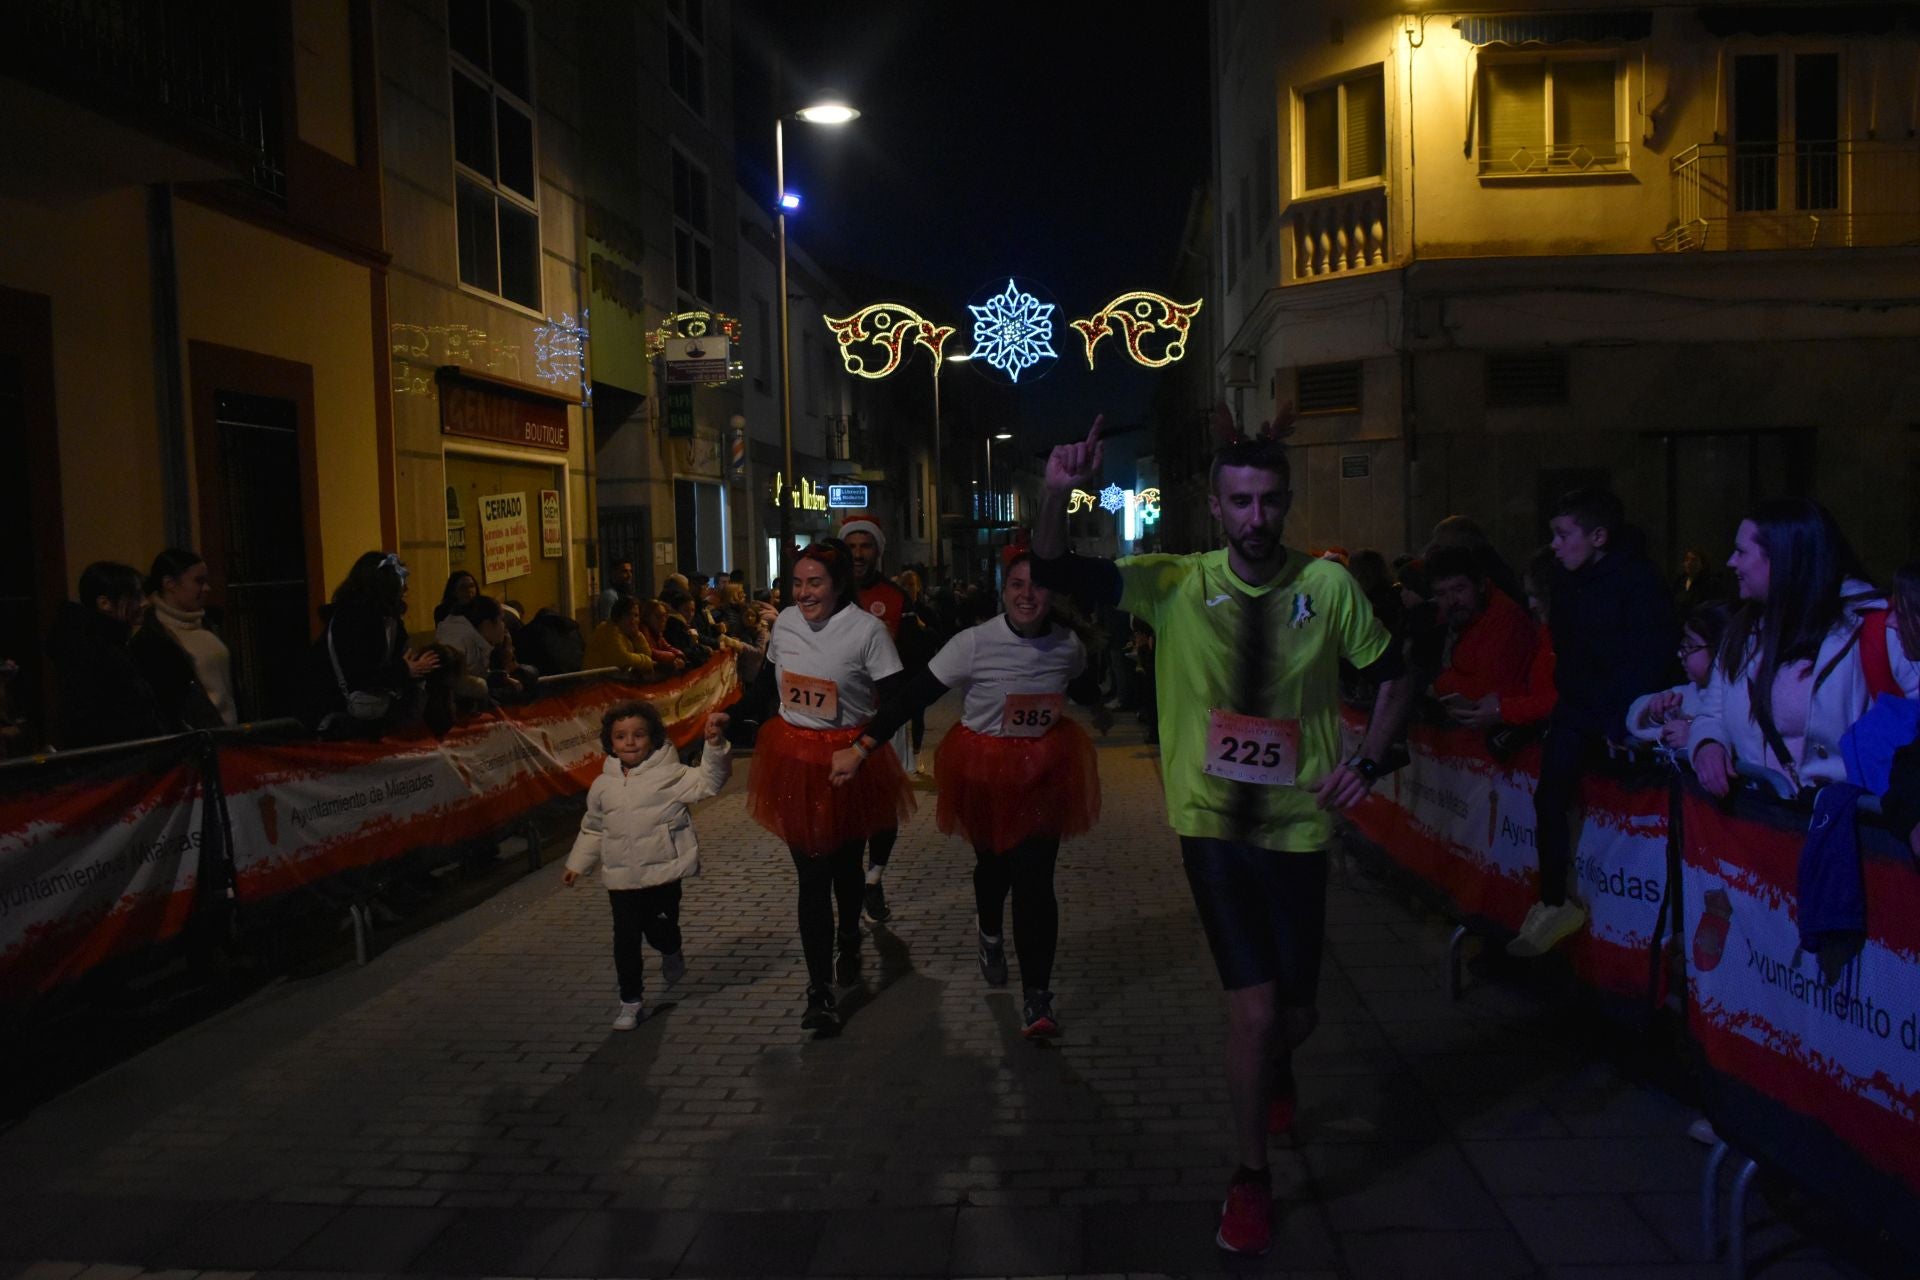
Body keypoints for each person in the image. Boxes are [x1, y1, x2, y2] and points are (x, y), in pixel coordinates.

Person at [1032, 415, 1411, 1256]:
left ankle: (1277, 1066)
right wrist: (1058, 488)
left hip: (1300, 828)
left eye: (1271, 500)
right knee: (1254, 1009)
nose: (1256, 517)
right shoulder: (1172, 582)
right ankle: (1249, 1179)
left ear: (1287, 502)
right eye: (1240, 502)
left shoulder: (1330, 587)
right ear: (1214, 506)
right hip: (1212, 828)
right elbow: (1054, 568)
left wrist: (1373, 762)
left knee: (1297, 1015)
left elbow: (1393, 675)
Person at [830, 550, 1104, 1036]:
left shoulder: (1067, 644)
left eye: (1037, 586)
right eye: (1016, 585)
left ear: (1051, 595)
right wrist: (863, 746)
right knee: (995, 868)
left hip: (1044, 770)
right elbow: (914, 696)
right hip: (985, 770)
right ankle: (989, 931)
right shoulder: (973, 643)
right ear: (1003, 591)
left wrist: (1096, 702)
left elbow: (1082, 684)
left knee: (1036, 881)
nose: (1026, 595)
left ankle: (1038, 998)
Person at [736, 539, 913, 1031]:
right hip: (794, 758)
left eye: (815, 582)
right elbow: (767, 686)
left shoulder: (866, 631)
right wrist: (727, 717)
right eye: (797, 582)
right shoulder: (787, 622)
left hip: (849, 761)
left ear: (837, 585)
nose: (804, 592)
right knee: (811, 875)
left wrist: (863, 748)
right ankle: (819, 991)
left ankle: (851, 935)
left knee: (845, 868)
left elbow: (898, 700)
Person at [1512, 489, 1673, 958]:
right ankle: (1552, 900)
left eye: (1564, 536)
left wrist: (1619, 717)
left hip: (1614, 714)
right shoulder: (1568, 583)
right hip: (1576, 710)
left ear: (1598, 536)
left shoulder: (1638, 583)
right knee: (1549, 797)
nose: (1556, 547)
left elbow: (1648, 658)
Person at [1691, 500, 1917, 797]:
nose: (1731, 562)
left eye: (1742, 551)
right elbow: (1712, 713)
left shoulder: (1879, 626)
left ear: (1783, 558)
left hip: (1850, 829)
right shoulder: (1742, 632)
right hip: (1760, 823)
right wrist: (1708, 745)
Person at [562, 699, 732, 1029]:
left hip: (664, 875)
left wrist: (715, 746)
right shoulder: (603, 785)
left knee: (660, 932)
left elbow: (710, 782)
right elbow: (594, 826)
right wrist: (578, 863)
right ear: (610, 742)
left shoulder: (671, 775)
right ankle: (630, 1001)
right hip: (620, 880)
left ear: (653, 738)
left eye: (638, 735)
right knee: (625, 938)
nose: (630, 742)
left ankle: (671, 949)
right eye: (621, 736)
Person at [838, 517, 913, 923]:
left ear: (878, 551)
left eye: (867, 546)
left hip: (885, 717)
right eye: (852, 546)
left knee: (884, 808)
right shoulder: (825, 596)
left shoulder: (896, 596)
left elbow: (917, 657)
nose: (859, 554)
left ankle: (873, 878)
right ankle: (848, 887)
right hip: (840, 719)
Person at [48, 561, 163, 749]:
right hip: (117, 766)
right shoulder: (92, 652)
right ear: (105, 603)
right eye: (135, 596)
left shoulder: (110, 644)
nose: (145, 602)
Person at [1447, 548, 1561, 733]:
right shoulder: (1547, 631)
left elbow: (1564, 699)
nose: (1531, 604)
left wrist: (1504, 708)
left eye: (1537, 595)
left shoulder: (1509, 619)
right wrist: (1501, 700)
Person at [130, 548, 236, 731]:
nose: (206, 588)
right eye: (198, 581)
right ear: (169, 583)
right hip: (198, 744)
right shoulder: (153, 639)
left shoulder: (208, 624)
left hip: (229, 736)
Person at [1428, 545, 1538, 712]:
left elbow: (1487, 691)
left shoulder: (1504, 619)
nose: (1451, 600)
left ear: (1480, 585)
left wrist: (1438, 681)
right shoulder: (1460, 616)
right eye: (1441, 594)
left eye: (1459, 589)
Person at [1626, 601, 1733, 750]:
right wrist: (1654, 714)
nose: (1680, 654)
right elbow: (1635, 711)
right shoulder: (1689, 693)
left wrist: (1697, 738)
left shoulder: (1735, 700)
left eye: (1690, 646)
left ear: (1720, 650)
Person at [436, 593, 508, 702]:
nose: (504, 625)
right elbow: (454, 683)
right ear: (487, 624)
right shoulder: (457, 638)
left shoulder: (473, 638)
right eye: (501, 620)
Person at [584, 596, 664, 679]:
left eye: (636, 615)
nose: (633, 620)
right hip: (594, 685)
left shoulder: (628, 632)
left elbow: (647, 654)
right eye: (628, 615)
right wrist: (646, 662)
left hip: (612, 682)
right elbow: (623, 659)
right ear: (619, 615)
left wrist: (637, 636)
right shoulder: (608, 629)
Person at [517, 606, 585, 676]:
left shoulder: (530, 630)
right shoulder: (572, 630)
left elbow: (523, 655)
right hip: (573, 676)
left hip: (545, 680)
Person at [659, 584, 713, 666]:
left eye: (692, 610)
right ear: (676, 609)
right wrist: (703, 650)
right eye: (686, 610)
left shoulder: (686, 625)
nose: (690, 614)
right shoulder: (675, 626)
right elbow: (686, 651)